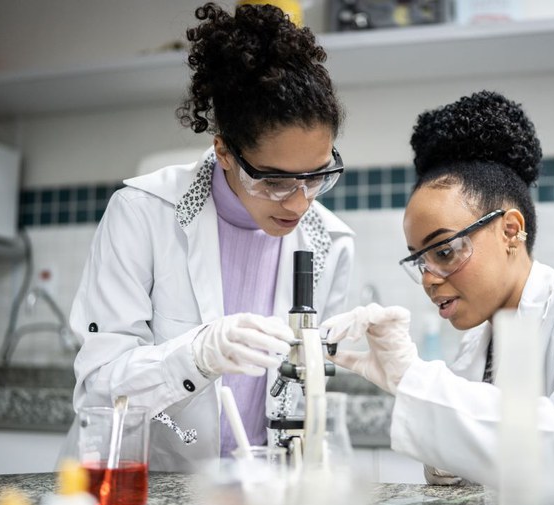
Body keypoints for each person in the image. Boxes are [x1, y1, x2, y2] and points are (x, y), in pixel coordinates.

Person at [322, 91, 554, 505]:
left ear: (511, 230)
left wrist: (416, 381)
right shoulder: (481, 343)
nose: (428, 279)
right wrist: (446, 457)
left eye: (444, 252)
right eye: (419, 260)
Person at [68, 2, 354, 472]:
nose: (301, 203)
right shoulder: (141, 214)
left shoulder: (331, 242)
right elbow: (98, 391)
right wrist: (195, 356)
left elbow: (308, 399)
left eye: (318, 176)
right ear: (223, 150)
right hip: (147, 486)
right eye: (276, 181)